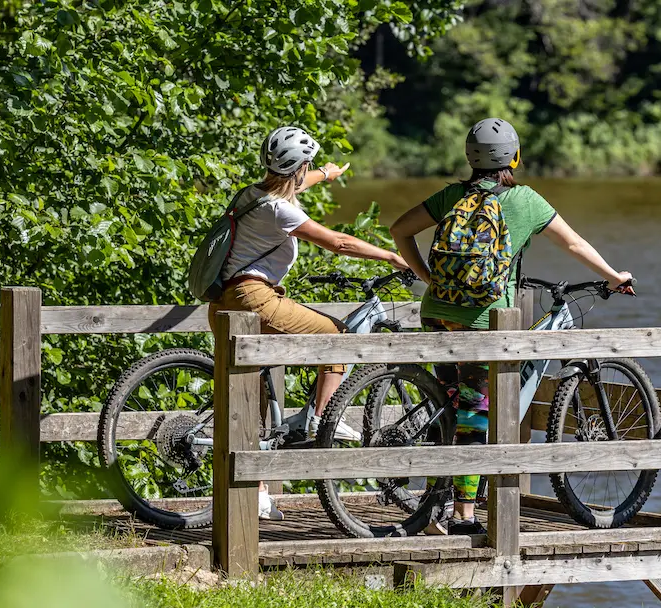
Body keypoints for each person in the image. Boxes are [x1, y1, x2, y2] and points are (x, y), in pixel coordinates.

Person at [389, 117, 634, 535]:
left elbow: (399, 230)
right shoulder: (524, 200)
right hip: (484, 320)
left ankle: (434, 505)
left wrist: (429, 278)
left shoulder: (451, 195)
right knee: (475, 412)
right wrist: (614, 276)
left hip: (437, 312)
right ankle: (462, 517)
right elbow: (573, 243)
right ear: (514, 158)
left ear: (470, 157)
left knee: (450, 406)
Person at [208, 126, 408, 520]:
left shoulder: (253, 195)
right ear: (298, 168)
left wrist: (327, 175)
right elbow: (339, 243)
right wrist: (391, 256)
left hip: (224, 302)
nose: (309, 172)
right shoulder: (282, 210)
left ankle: (259, 490)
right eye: (309, 167)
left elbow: (291, 185)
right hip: (255, 298)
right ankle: (320, 418)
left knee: (251, 390)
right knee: (338, 336)